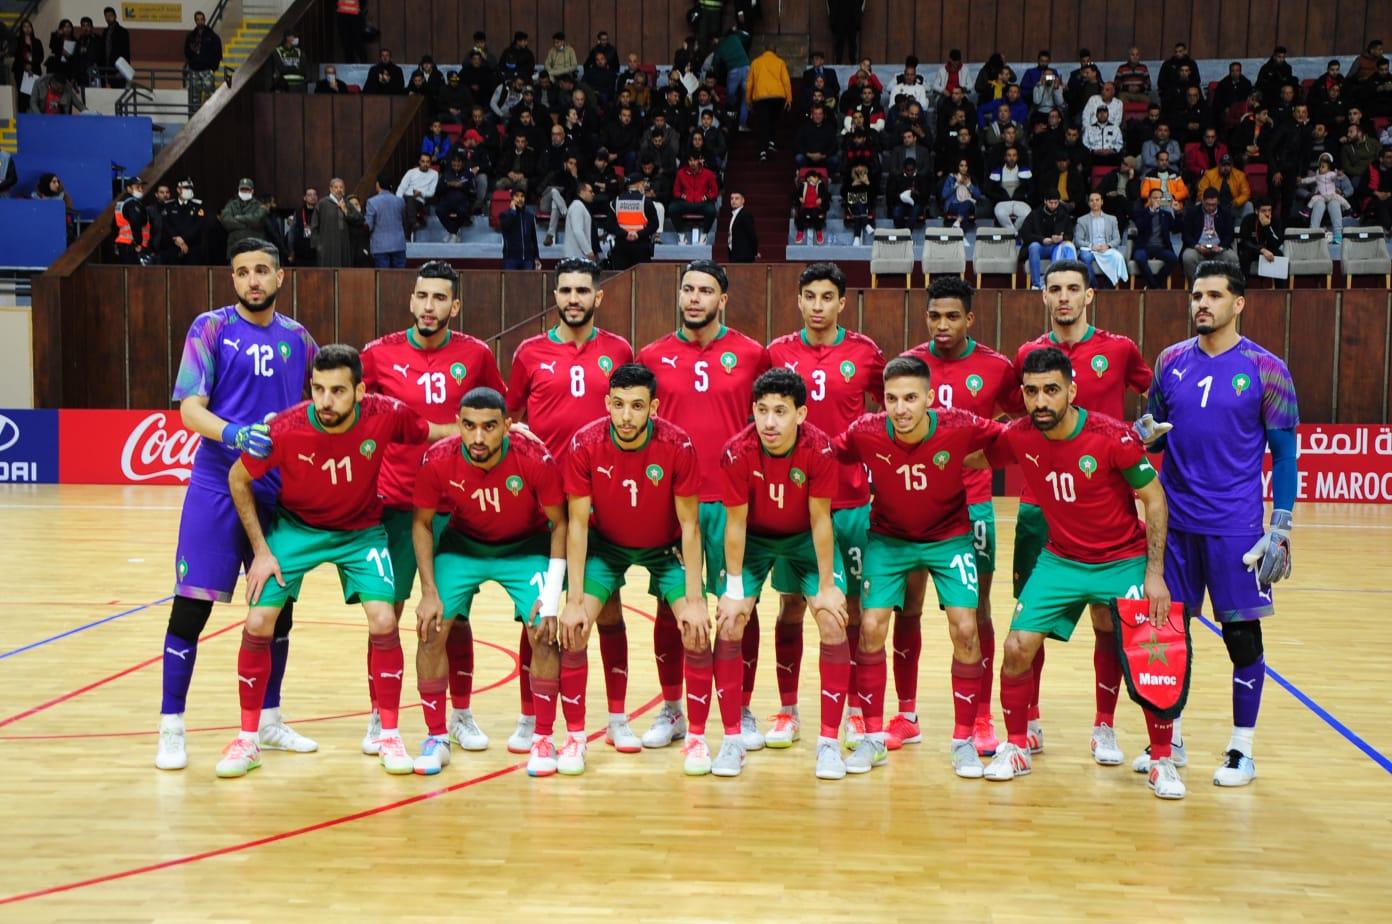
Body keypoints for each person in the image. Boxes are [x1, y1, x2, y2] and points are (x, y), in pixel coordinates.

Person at [216, 344, 432, 778]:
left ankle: (387, 733)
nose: (325, 401)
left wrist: (496, 431)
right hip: (297, 530)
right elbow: (238, 478)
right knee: (259, 621)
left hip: (361, 531)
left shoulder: (386, 412)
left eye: (337, 391)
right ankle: (248, 739)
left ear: (360, 390)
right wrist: (262, 550)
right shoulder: (287, 428)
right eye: (318, 389)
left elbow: (429, 431)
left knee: (384, 620)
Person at [976, 346, 1180, 799]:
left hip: (1122, 557)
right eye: (1031, 392)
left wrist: (1154, 574)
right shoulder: (1020, 435)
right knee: (1015, 647)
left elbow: (1155, 500)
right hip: (1061, 559)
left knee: (1149, 652)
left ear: (1071, 389)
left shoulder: (1112, 437)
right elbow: (974, 459)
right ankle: (1015, 746)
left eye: (1051, 390)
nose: (1040, 401)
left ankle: (1161, 759)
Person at [153, 238, 318, 772]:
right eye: (244, 271)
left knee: (277, 608)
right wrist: (235, 433)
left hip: (277, 490)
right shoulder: (211, 327)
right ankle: (172, 726)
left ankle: (268, 720)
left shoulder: (301, 340)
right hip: (216, 484)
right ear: (233, 279)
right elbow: (189, 409)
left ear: (280, 277)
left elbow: (313, 412)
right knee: (192, 607)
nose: (253, 280)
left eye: (263, 271)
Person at [1140, 261, 1299, 788]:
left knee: (1240, 638)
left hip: (1235, 529)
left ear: (1239, 304)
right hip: (1176, 524)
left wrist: (1279, 529)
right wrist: (1144, 434)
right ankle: (1171, 740)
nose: (1201, 304)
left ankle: (1241, 750)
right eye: (1195, 295)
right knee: (1170, 634)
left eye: (1213, 295)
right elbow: (1154, 435)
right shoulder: (1169, 362)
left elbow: (1286, 457)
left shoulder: (1267, 368)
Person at [360, 261, 506, 753]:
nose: (429, 306)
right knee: (390, 612)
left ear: (455, 306)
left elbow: (496, 418)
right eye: (422, 297)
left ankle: (460, 713)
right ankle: (382, 718)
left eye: (439, 298)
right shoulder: (377, 355)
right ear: (411, 301)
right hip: (396, 502)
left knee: (454, 615)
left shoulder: (477, 355)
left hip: (457, 506)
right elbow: (358, 421)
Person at [1010, 259, 1154, 746]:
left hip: (1104, 502)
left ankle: (1104, 724)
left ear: (1089, 296)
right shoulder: (1029, 352)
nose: (1064, 297)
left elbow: (1154, 391)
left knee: (1105, 621)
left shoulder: (1118, 348)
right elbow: (1020, 415)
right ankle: (1027, 721)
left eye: (1074, 288)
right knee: (1032, 621)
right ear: (1044, 296)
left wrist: (1147, 435)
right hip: (1039, 506)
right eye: (1055, 289)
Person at [836, 355, 1000, 778]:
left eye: (911, 398)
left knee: (966, 627)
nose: (901, 408)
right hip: (889, 540)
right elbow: (821, 453)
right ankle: (872, 737)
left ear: (930, 398)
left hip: (949, 537)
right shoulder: (866, 431)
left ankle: (963, 739)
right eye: (891, 399)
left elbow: (1013, 441)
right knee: (871, 625)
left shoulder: (959, 423)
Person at [637, 260, 771, 750]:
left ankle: (743, 709)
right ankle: (672, 709)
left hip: (736, 502)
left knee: (741, 609)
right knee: (671, 607)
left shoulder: (753, 355)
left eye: (705, 291)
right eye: (687, 289)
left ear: (724, 300)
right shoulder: (651, 355)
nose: (694, 298)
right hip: (674, 507)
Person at [504, 259, 637, 752]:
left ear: (598, 297)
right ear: (555, 295)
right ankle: (527, 716)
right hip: (543, 506)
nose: (574, 298)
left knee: (606, 611)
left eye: (583, 290)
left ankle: (618, 717)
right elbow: (510, 417)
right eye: (566, 290)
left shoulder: (618, 350)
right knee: (535, 612)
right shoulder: (529, 352)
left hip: (600, 504)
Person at [411, 386, 566, 775]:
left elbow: (560, 522)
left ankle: (543, 738)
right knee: (431, 627)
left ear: (508, 427)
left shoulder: (534, 458)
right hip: (463, 546)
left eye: (489, 427)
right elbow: (422, 523)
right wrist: (428, 592)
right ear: (458, 425)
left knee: (544, 629)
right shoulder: (437, 458)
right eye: (469, 426)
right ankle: (436, 736)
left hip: (525, 546)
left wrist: (551, 594)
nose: (478, 438)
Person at [560, 363, 706, 776]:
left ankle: (692, 733)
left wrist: (695, 601)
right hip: (606, 548)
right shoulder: (585, 443)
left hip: (666, 548)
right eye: (619, 405)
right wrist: (572, 601)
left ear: (654, 408)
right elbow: (575, 524)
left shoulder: (678, 444)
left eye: (637, 406)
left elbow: (691, 525)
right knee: (574, 628)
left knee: (695, 628)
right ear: (607, 402)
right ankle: (588, 732)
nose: (626, 416)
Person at [899, 279, 1021, 755]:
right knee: (906, 609)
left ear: (970, 318)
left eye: (952, 316)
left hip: (973, 509)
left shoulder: (994, 366)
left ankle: (982, 716)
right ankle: (906, 714)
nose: (942, 325)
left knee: (975, 613)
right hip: (912, 508)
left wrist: (986, 459)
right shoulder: (910, 365)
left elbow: (1020, 418)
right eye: (934, 316)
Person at [707, 369, 849, 777]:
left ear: (801, 414)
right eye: (763, 410)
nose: (770, 422)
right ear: (752, 409)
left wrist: (826, 587)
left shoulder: (820, 450)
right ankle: (732, 741)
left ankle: (828, 744)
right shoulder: (737, 451)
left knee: (833, 622)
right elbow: (734, 524)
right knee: (730, 621)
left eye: (781, 412)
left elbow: (822, 520)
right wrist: (733, 589)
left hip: (805, 538)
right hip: (754, 540)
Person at [767, 263, 885, 749]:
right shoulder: (777, 352)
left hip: (850, 499)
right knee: (791, 604)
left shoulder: (865, 353)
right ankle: (788, 709)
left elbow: (888, 412)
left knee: (849, 608)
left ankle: (855, 707)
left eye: (827, 297)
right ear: (799, 301)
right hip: (794, 504)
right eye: (809, 297)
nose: (817, 306)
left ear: (842, 303)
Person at [1020, 192, 1077, 290]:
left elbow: (1070, 235)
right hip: (1041, 246)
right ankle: (1036, 284)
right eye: (1051, 203)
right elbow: (1025, 233)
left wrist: (1061, 238)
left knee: (1065, 247)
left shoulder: (1063, 214)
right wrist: (1042, 240)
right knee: (1034, 246)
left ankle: (1056, 283)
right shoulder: (1035, 214)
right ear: (1045, 201)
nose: (1053, 205)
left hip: (1056, 246)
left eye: (1056, 203)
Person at [1181, 187, 1238, 282]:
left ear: (1218, 202)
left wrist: (1220, 247)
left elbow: (1230, 235)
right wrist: (1197, 246)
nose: (1211, 207)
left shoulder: (1225, 213)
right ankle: (1195, 287)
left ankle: (1229, 287)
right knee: (1188, 257)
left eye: (1213, 205)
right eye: (1208, 204)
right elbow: (1186, 235)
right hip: (1198, 250)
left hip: (1219, 249)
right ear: (1202, 201)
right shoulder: (1192, 212)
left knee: (1232, 258)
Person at [604, 176, 660, 270]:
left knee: (621, 279)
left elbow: (609, 225)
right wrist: (638, 234)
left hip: (621, 246)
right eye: (643, 184)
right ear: (639, 185)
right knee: (641, 279)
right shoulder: (646, 202)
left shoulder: (615, 202)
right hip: (641, 246)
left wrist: (625, 234)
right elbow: (654, 225)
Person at [746, 44, 791, 160]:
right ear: (775, 51)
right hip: (778, 96)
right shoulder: (780, 62)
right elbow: (786, 81)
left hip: (761, 97)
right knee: (774, 121)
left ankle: (762, 151)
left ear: (764, 50)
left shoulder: (756, 62)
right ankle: (772, 142)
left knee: (763, 123)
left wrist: (748, 100)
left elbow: (749, 83)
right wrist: (789, 99)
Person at [1074, 192, 1127, 288]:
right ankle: (1095, 287)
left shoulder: (1112, 219)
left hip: (1106, 248)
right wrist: (1091, 246)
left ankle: (1106, 290)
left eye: (1097, 200)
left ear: (1102, 202)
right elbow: (1077, 241)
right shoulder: (1082, 220)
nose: (1094, 202)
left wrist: (1107, 245)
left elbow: (1117, 239)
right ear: (1088, 203)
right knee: (1085, 257)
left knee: (1118, 257)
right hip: (1090, 249)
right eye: (1092, 200)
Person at [1298, 153, 1352, 245]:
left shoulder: (1336, 174)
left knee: (1334, 203)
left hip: (1333, 198)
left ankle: (1338, 236)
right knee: (1318, 203)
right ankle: (1313, 235)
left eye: (1326, 161)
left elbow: (1350, 189)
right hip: (1320, 198)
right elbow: (1303, 185)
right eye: (1321, 162)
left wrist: (1342, 193)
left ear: (1330, 164)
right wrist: (1310, 194)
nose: (1323, 164)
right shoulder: (1316, 175)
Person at [1131, 187, 1180, 288]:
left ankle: (1153, 284)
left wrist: (1177, 212)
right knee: (1139, 258)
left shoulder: (1166, 215)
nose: (1158, 200)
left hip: (1161, 247)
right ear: (1149, 199)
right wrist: (1152, 212)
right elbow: (1140, 226)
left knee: (1173, 259)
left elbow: (1177, 229)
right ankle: (1155, 286)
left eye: (1160, 198)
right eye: (1155, 198)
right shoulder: (1141, 212)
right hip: (1144, 247)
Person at [312, 177, 362, 267]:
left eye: (341, 187)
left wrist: (346, 211)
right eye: (336, 187)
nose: (339, 190)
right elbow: (314, 225)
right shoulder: (322, 203)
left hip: (344, 245)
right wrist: (317, 246)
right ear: (330, 189)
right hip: (327, 245)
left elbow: (359, 220)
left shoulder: (347, 203)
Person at [219, 178, 268, 262]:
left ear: (252, 191)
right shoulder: (231, 205)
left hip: (254, 250)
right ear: (238, 190)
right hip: (235, 249)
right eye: (242, 189)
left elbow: (257, 220)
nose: (244, 192)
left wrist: (238, 218)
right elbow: (226, 221)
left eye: (247, 189)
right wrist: (247, 224)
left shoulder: (259, 205)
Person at [363, 175, 407, 268]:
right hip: (398, 244)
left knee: (383, 278)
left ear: (378, 184)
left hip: (380, 246)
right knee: (400, 277)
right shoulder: (400, 201)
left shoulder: (372, 202)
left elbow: (369, 225)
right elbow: (403, 219)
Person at [160, 178, 206, 265]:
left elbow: (198, 226)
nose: (189, 190)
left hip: (192, 248)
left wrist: (183, 239)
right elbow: (166, 224)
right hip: (173, 247)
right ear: (178, 189)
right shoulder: (169, 205)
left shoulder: (197, 205)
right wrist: (177, 239)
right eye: (186, 188)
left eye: (190, 188)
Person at [184, 10, 222, 108]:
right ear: (195, 21)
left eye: (201, 19)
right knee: (194, 100)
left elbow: (218, 53)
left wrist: (213, 68)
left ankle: (211, 121)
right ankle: (195, 120)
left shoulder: (212, 36)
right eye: (198, 20)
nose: (200, 22)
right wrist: (192, 63)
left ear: (204, 20)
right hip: (194, 72)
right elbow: (186, 52)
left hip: (207, 71)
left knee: (211, 99)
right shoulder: (191, 37)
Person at [396, 152, 440, 236]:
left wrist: (421, 193)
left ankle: (412, 223)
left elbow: (431, 192)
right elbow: (402, 187)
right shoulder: (411, 172)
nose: (425, 164)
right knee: (406, 202)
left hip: (419, 200)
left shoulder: (434, 174)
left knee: (409, 202)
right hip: (405, 197)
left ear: (430, 163)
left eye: (427, 162)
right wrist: (398, 201)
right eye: (423, 161)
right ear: (419, 162)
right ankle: (413, 224)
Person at [111, 175, 150, 265]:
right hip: (132, 245)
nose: (140, 189)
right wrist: (138, 243)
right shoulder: (131, 203)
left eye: (141, 187)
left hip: (124, 244)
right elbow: (135, 223)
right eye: (137, 187)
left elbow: (114, 225)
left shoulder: (121, 203)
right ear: (128, 188)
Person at [1237, 199, 1283, 273]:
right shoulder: (1248, 220)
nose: (1267, 214)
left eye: (1269, 210)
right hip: (1253, 250)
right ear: (1256, 211)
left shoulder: (1275, 220)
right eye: (1263, 211)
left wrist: (1267, 227)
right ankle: (1244, 283)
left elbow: (1277, 243)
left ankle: (1279, 285)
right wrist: (1261, 250)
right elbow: (1244, 242)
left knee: (1279, 254)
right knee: (1244, 256)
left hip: (1269, 250)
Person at [792, 169, 829, 245]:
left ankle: (818, 232)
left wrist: (821, 198)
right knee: (801, 214)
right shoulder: (803, 185)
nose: (816, 179)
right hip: (805, 206)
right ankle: (800, 232)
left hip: (816, 206)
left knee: (815, 214)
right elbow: (796, 194)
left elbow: (826, 194)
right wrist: (800, 198)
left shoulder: (820, 184)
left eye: (814, 178)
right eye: (813, 177)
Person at [562, 181, 596, 261]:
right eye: (590, 191)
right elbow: (578, 231)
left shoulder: (579, 205)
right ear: (582, 192)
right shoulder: (577, 206)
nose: (593, 194)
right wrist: (588, 251)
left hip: (577, 255)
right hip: (576, 256)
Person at [101, 7, 131, 88]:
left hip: (119, 69)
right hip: (108, 68)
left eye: (110, 16)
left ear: (115, 16)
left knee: (120, 91)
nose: (108, 18)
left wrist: (124, 69)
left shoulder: (123, 32)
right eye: (106, 16)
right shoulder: (105, 32)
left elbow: (126, 52)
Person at [288, 186, 318, 265]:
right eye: (309, 195)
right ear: (304, 198)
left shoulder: (320, 212)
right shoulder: (298, 212)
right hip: (300, 252)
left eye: (314, 195)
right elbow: (292, 232)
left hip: (316, 252)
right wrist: (291, 250)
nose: (312, 197)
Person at [726, 190, 759, 262]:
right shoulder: (734, 215)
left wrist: (755, 253)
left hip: (743, 256)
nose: (733, 201)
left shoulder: (745, 214)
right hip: (734, 254)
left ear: (743, 200)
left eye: (737, 198)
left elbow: (752, 235)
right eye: (732, 198)